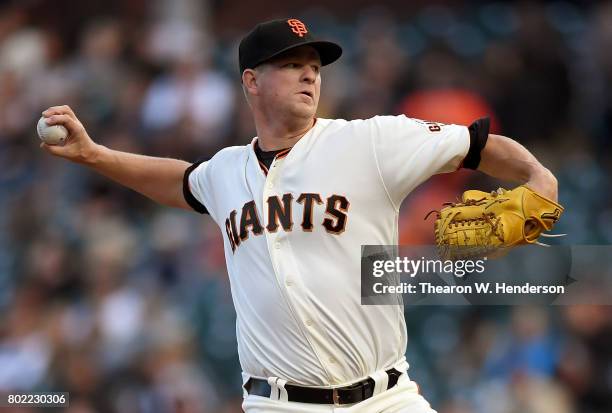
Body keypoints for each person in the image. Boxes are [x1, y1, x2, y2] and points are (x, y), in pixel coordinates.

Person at [40, 18, 558, 413]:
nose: (309, 72)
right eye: (291, 64)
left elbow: (477, 143)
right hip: (276, 404)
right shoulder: (225, 172)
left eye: (313, 64)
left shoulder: (369, 141)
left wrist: (540, 177)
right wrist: (93, 155)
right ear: (251, 80)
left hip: (386, 400)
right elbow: (178, 180)